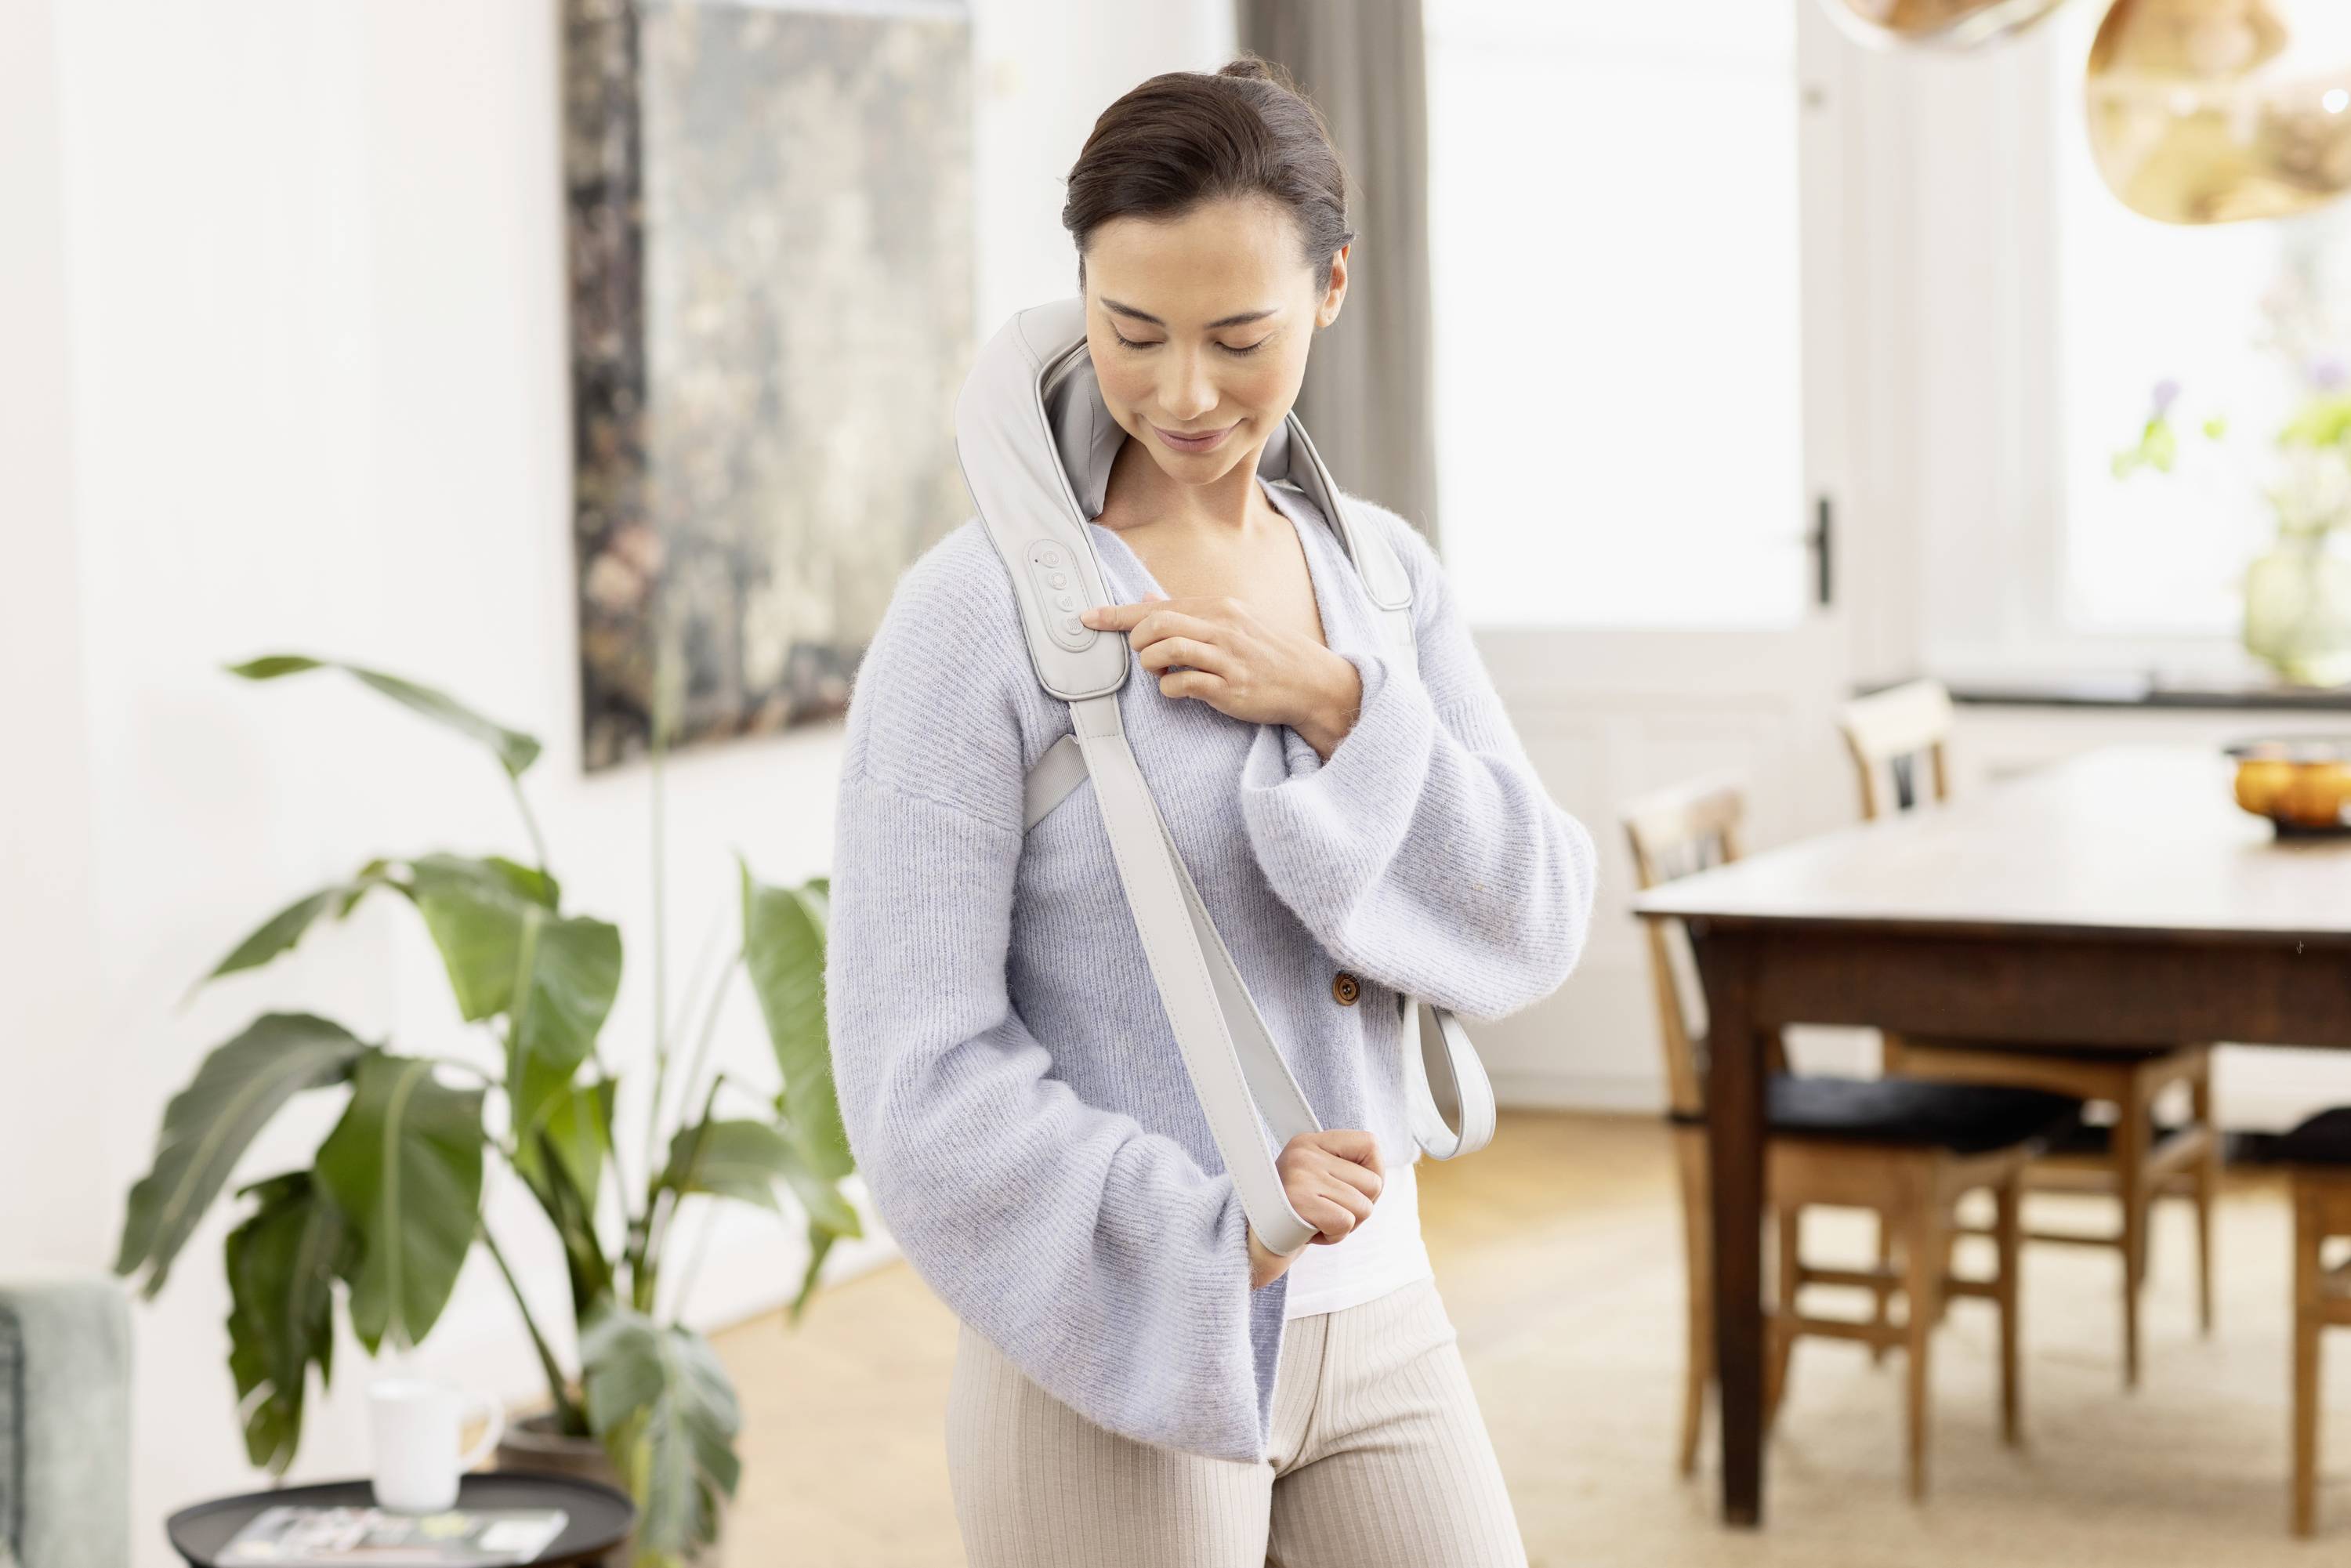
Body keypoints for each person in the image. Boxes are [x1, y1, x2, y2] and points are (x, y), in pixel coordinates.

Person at [824, 53, 1599, 1568]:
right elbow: (912, 1071)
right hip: (1123, 1346)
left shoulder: (1380, 580)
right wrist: (1211, 1218)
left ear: (1330, 291)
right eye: (1135, 332)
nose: (1186, 392)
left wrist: (1338, 706)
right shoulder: (972, 622)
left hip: (1382, 1316)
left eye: (1239, 337)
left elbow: (1537, 916)